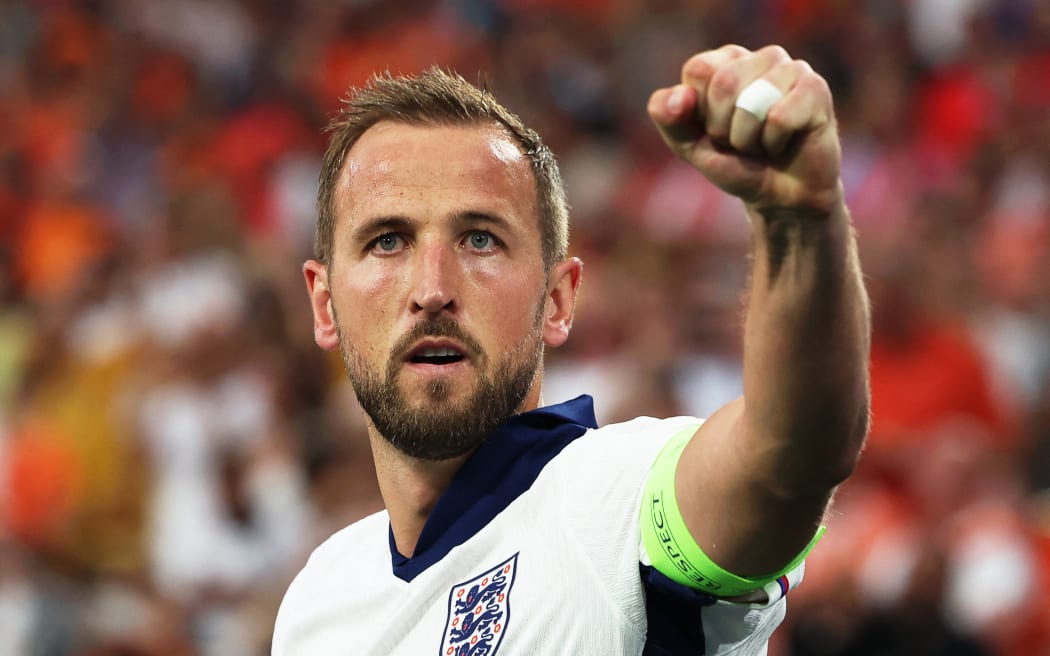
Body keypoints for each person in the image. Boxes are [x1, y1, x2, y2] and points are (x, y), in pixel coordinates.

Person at [272, 44, 870, 655]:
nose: (431, 290)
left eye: (480, 239)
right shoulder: (317, 604)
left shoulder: (618, 501)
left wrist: (799, 221)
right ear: (324, 304)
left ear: (557, 301)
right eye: (388, 240)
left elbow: (789, 454)